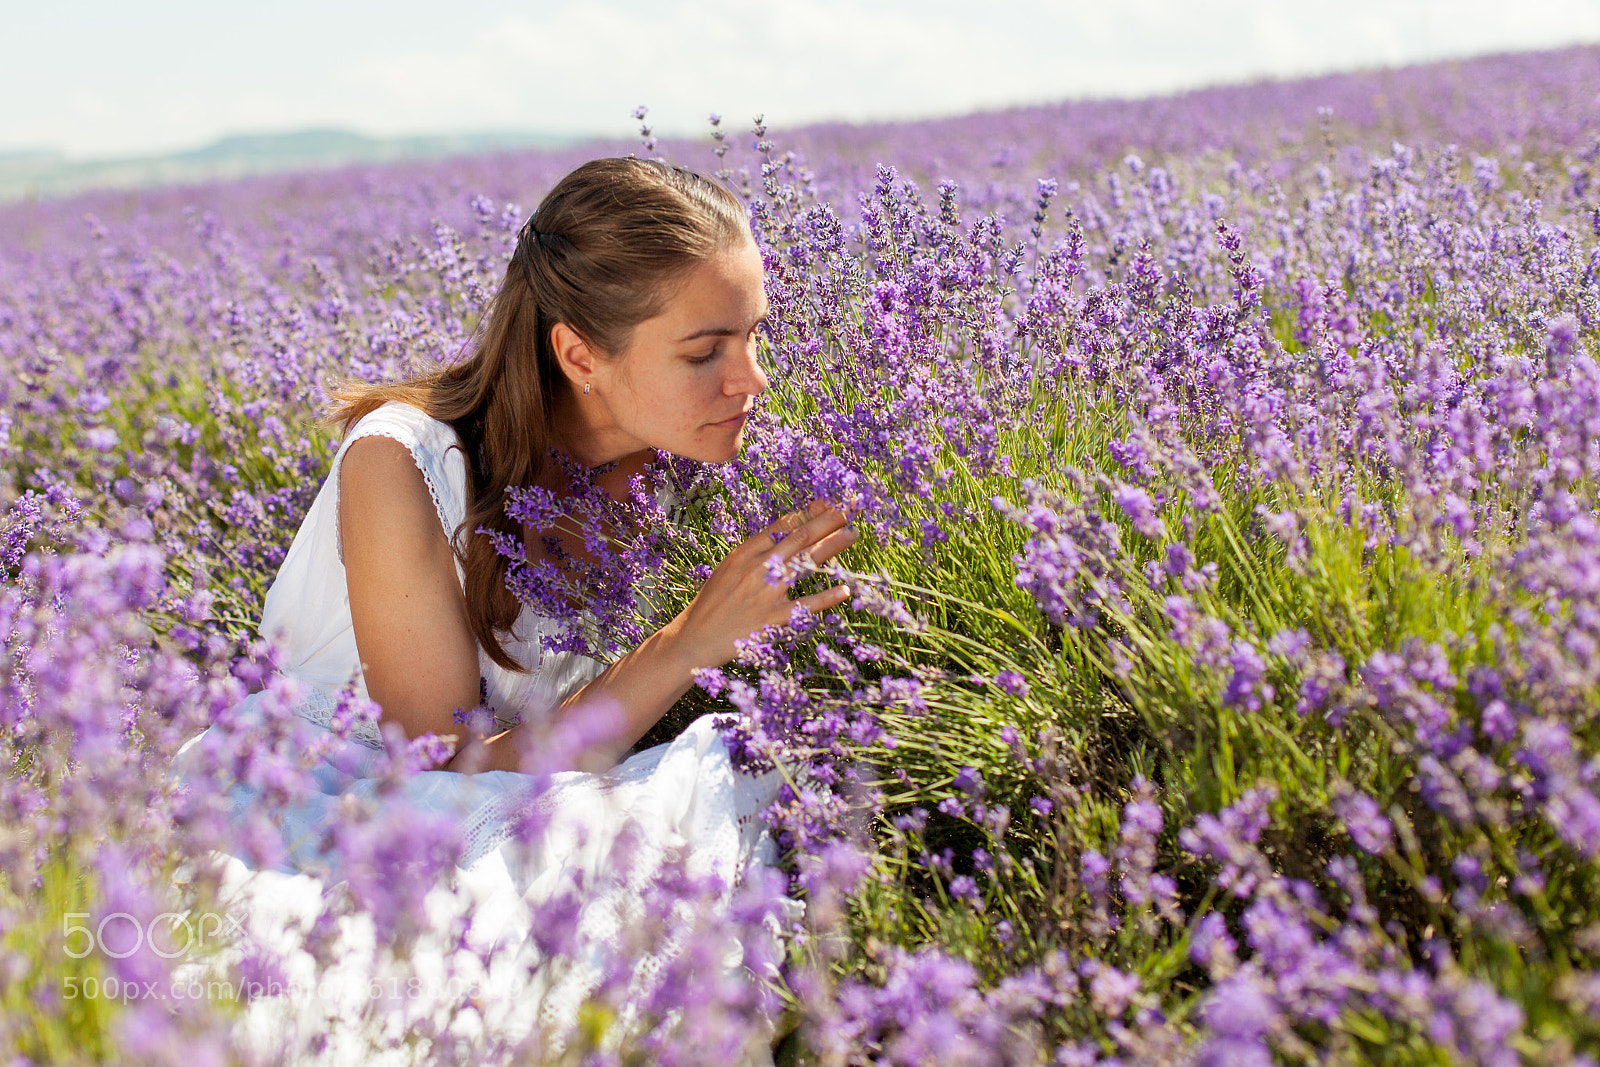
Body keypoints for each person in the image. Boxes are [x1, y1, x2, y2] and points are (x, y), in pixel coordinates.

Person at [171, 156, 855, 1062]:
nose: (752, 381)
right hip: (339, 805)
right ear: (578, 354)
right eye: (706, 352)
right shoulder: (403, 463)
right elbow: (439, 770)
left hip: (517, 786)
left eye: (755, 337)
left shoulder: (680, 460)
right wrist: (693, 637)